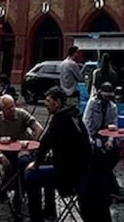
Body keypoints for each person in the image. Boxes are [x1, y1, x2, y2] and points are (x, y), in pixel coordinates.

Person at [26, 87, 111, 222]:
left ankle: (36, 218)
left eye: (48, 101)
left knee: (31, 175)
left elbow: (45, 143)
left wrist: (36, 163)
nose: (45, 104)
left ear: (57, 102)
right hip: (84, 171)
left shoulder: (60, 118)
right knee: (47, 171)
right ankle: (49, 210)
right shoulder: (74, 115)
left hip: (69, 176)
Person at [0, 94, 44, 220]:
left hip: (21, 151)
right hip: (3, 152)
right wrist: (0, 156)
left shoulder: (21, 114)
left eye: (13, 107)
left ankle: (18, 204)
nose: (12, 110)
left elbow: (38, 128)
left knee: (23, 162)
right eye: (8, 108)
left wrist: (32, 144)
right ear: (2, 109)